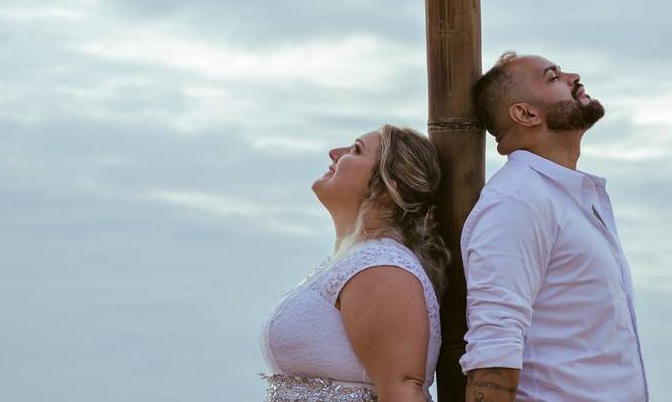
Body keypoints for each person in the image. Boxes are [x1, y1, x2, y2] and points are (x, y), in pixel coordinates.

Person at [460, 52, 649, 402]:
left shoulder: (562, 197)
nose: (574, 76)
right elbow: (495, 345)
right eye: (553, 77)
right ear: (526, 113)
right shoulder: (516, 201)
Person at [260, 124, 451, 402]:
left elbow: (402, 389)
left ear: (387, 188)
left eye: (355, 150)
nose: (334, 153)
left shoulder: (382, 268)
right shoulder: (359, 262)